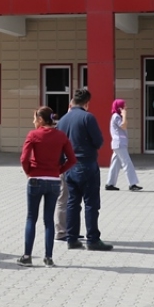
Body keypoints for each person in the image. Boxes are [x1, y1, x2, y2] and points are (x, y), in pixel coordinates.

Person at [20, 106, 77, 266]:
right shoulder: (61, 136)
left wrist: (28, 171)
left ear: (40, 119)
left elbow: (24, 158)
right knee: (49, 220)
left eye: (34, 119)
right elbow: (72, 159)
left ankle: (27, 256)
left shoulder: (33, 134)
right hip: (53, 180)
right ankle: (48, 257)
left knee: (31, 217)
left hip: (36, 179)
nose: (33, 122)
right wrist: (59, 170)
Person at [56, 88, 112, 251]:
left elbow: (58, 145)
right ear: (87, 103)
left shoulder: (63, 120)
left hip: (68, 166)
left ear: (72, 101)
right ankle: (93, 239)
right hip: (86, 164)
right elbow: (98, 141)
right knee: (91, 203)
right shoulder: (88, 117)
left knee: (72, 202)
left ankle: (72, 239)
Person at [104, 99, 142, 192]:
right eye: (124, 105)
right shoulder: (116, 116)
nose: (126, 107)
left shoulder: (117, 116)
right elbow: (123, 126)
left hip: (119, 144)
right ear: (119, 107)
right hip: (119, 144)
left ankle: (110, 184)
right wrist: (124, 115)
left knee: (115, 164)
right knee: (127, 163)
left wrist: (123, 115)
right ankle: (132, 184)